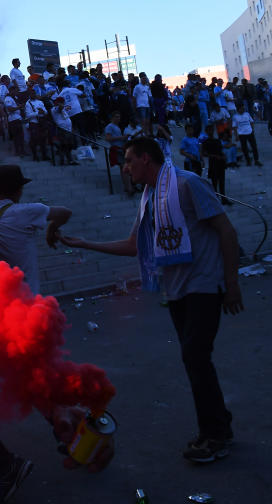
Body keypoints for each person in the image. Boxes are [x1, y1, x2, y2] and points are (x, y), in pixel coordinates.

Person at [60, 137, 244, 462]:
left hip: (203, 285)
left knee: (196, 358)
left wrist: (231, 284)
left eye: (129, 161)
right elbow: (135, 245)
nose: (125, 167)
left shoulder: (188, 184)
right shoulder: (148, 198)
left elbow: (226, 231)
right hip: (175, 290)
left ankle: (216, 434)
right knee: (195, 360)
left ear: (146, 159)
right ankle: (218, 424)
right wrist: (84, 243)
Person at [0, 165, 71, 295]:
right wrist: (51, 229)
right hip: (26, 297)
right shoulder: (28, 211)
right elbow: (65, 213)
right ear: (20, 190)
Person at [104, 111, 133, 195]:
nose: (118, 118)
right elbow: (108, 138)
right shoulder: (109, 126)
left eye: (119, 117)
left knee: (123, 168)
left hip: (120, 148)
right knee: (124, 168)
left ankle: (127, 187)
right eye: (116, 117)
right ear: (112, 117)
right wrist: (122, 137)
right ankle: (129, 188)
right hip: (116, 149)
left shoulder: (116, 126)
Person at [200, 125, 229, 204]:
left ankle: (224, 199)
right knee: (215, 182)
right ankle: (216, 200)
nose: (211, 131)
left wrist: (223, 156)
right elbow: (203, 153)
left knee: (222, 182)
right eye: (209, 130)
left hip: (220, 163)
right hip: (213, 163)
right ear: (206, 131)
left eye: (212, 130)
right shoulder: (205, 142)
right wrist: (215, 156)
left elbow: (220, 150)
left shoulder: (217, 140)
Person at [25, 91, 49, 162]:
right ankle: (35, 156)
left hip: (41, 122)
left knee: (43, 139)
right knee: (34, 140)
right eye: (31, 94)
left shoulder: (40, 102)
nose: (33, 95)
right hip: (33, 123)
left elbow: (46, 111)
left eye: (34, 93)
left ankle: (44, 155)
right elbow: (28, 115)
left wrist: (43, 112)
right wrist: (37, 113)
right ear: (29, 95)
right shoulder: (27, 104)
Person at [3, 86, 26, 157]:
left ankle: (22, 151)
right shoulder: (8, 99)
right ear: (12, 91)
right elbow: (10, 109)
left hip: (18, 118)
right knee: (16, 137)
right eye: (16, 91)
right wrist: (19, 107)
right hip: (13, 119)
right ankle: (18, 152)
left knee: (21, 136)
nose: (17, 93)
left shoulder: (14, 98)